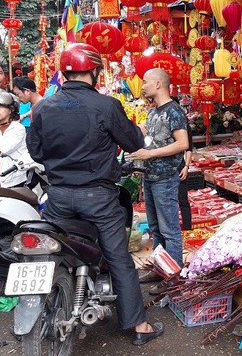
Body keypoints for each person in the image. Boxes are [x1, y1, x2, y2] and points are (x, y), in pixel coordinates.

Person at [27, 43, 164, 346]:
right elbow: (131, 142)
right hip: (98, 199)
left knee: (52, 252)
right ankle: (138, 326)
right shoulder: (106, 106)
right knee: (118, 258)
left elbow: (35, 150)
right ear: (94, 71)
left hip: (58, 197)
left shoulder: (43, 107)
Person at [129, 68, 189, 276]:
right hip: (150, 176)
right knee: (155, 228)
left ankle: (173, 276)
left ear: (157, 84)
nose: (142, 85)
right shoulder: (153, 112)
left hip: (165, 178)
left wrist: (150, 154)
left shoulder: (174, 111)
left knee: (169, 230)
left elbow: (183, 143)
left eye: (145, 82)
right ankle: (159, 268)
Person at [173, 97, 194, 231]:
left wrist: (186, 166)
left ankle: (187, 228)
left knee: (183, 200)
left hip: (180, 166)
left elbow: (189, 148)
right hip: (166, 167)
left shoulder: (184, 124)